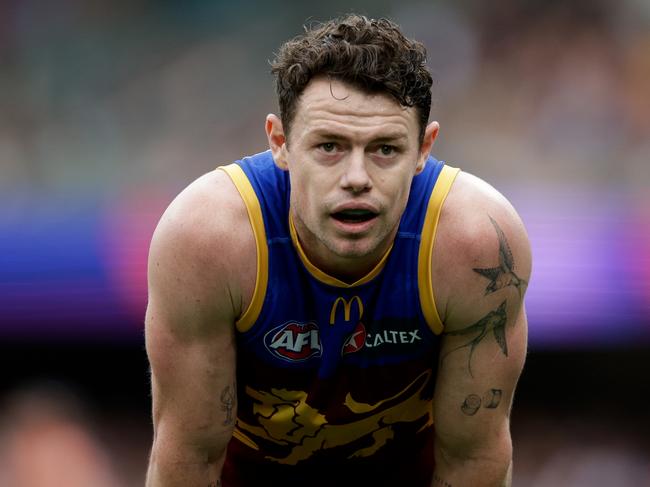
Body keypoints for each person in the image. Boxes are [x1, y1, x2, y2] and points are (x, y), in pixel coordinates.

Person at [144, 14, 531, 487]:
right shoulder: (206, 240)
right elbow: (188, 457)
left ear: (424, 148)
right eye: (329, 146)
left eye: (385, 149)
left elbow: (474, 459)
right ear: (280, 143)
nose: (356, 177)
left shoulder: (479, 247)